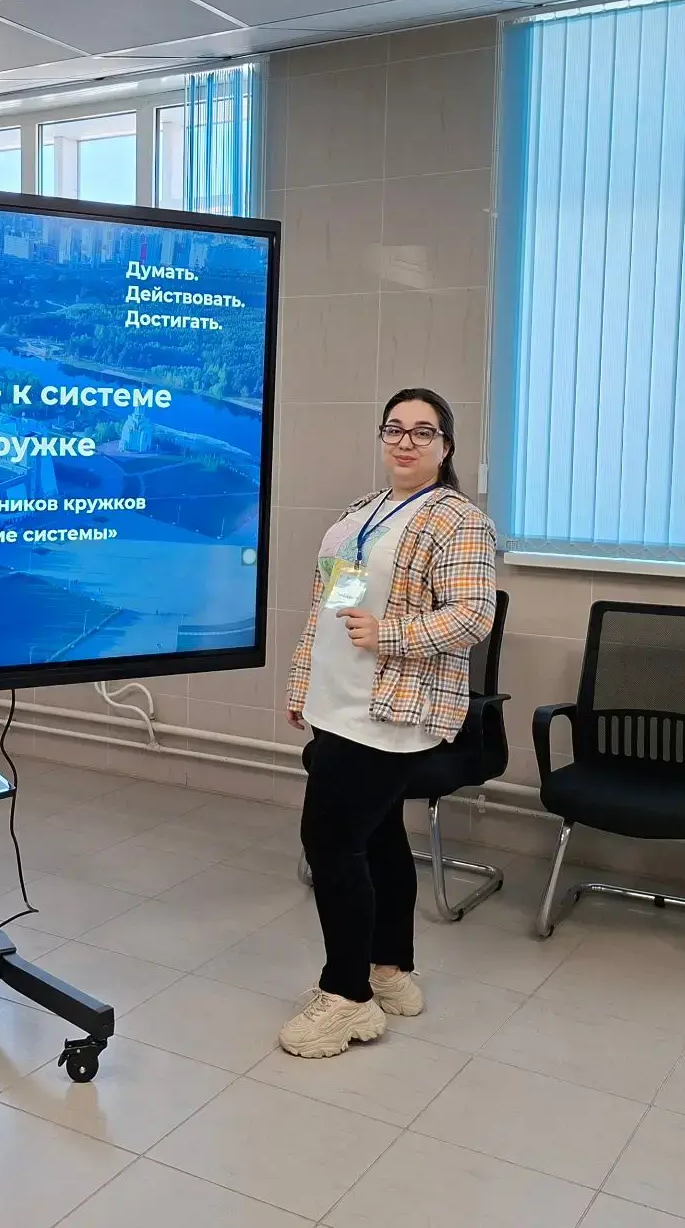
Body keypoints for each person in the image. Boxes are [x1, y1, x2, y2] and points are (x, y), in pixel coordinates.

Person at [279, 387, 497, 1058]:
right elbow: (331, 606)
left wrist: (391, 633)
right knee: (376, 838)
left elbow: (472, 616)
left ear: (445, 446)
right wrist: (306, 682)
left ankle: (346, 998)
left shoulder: (458, 520)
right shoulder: (364, 513)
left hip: (390, 711)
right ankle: (390, 972)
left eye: (423, 431)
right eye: (395, 429)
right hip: (338, 700)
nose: (406, 441)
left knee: (330, 842)